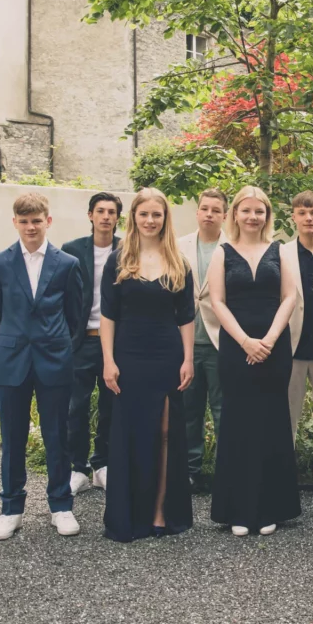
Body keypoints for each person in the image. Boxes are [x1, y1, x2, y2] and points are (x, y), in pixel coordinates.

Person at [0, 192, 83, 540]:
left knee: (57, 435)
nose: (30, 227)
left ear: (48, 221)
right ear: (15, 223)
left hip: (54, 360)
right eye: (24, 221)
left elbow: (75, 316)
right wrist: (10, 341)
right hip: (12, 361)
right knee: (13, 438)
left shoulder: (67, 263)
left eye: (36, 220)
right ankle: (11, 509)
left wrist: (58, 345)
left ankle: (60, 506)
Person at [100, 188, 195, 542]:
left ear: (165, 218)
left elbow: (186, 316)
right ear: (134, 218)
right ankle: (130, 515)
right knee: (130, 434)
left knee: (166, 435)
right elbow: (108, 315)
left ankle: (159, 512)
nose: (151, 220)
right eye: (144, 215)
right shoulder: (119, 259)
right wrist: (108, 361)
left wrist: (188, 359)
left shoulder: (178, 261)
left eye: (157, 215)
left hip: (167, 355)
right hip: (128, 355)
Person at [209, 186, 301, 537]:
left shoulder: (280, 251)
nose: (252, 217)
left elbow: (290, 296)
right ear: (235, 214)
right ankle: (237, 509)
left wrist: (270, 340)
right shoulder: (223, 252)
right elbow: (217, 301)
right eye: (245, 210)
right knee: (238, 423)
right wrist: (246, 341)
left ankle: (269, 508)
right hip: (235, 346)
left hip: (274, 345)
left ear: (267, 215)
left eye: (259, 211)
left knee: (271, 421)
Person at [62, 192, 122, 496]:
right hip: (81, 340)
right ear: (90, 215)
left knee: (111, 405)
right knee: (76, 406)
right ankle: (77, 468)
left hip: (115, 343)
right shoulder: (71, 251)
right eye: (100, 211)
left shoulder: (127, 249)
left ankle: (103, 465)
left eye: (111, 212)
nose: (106, 217)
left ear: (117, 217)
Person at [280, 191, 313, 489]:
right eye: (303, 213)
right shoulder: (281, 253)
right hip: (291, 347)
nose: (309, 218)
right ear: (294, 217)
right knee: (287, 415)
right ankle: (285, 478)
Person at [178, 188, 228, 493]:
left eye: (215, 210)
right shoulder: (179, 245)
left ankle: (225, 471)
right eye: (204, 208)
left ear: (224, 215)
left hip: (221, 343)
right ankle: (189, 470)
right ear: (197, 212)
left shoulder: (232, 247)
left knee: (224, 411)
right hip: (186, 344)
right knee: (188, 412)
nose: (209, 214)